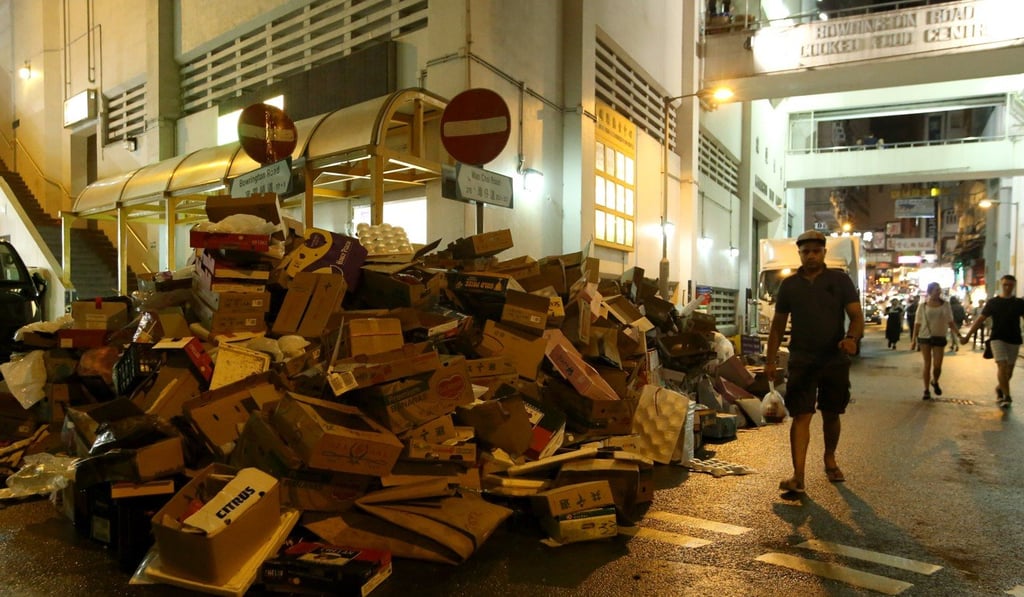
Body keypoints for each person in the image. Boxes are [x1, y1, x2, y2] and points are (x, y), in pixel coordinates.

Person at [764, 230, 863, 494]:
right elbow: (777, 327)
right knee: (801, 415)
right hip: (802, 359)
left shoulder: (840, 281)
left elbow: (856, 316)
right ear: (800, 254)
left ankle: (830, 458)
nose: (811, 256)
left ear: (824, 253)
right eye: (806, 251)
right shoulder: (789, 286)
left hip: (834, 359)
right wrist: (770, 360)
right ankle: (798, 476)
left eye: (816, 251)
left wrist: (852, 338)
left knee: (832, 414)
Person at [960, 275, 1024, 408]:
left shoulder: (1019, 303)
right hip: (997, 338)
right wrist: (968, 336)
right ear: (1001, 284)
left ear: (1014, 285)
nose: (1007, 287)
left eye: (1010, 285)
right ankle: (1007, 396)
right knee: (1002, 365)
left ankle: (1000, 388)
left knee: (1009, 371)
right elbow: (980, 320)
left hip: (1014, 338)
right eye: (1005, 284)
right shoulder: (993, 303)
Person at [910, 283, 959, 400]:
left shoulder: (945, 305)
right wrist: (913, 340)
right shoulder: (922, 306)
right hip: (925, 337)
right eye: (936, 290)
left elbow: (950, 322)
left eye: (939, 290)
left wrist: (958, 336)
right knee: (927, 364)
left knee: (937, 366)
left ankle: (935, 381)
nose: (939, 292)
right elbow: (917, 324)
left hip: (939, 337)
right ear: (930, 292)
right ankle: (926, 390)